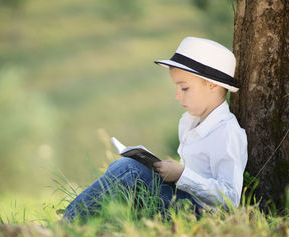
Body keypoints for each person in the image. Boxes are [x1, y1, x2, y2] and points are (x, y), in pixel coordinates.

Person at [62, 36, 248, 222]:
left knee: (129, 170)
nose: (177, 96)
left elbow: (230, 198)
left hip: (205, 215)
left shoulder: (226, 132)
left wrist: (183, 175)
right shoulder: (189, 122)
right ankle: (92, 222)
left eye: (184, 88)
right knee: (119, 167)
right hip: (183, 200)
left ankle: (67, 223)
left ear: (212, 85)